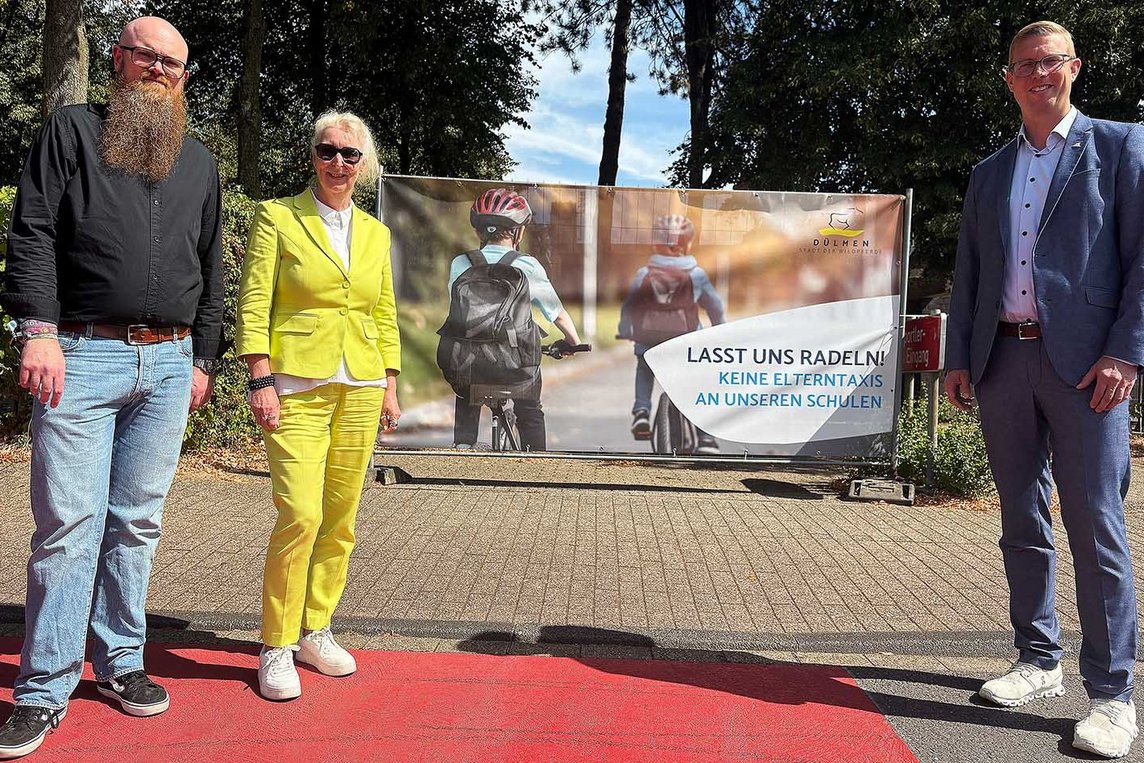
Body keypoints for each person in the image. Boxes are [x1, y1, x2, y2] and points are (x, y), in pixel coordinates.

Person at [0, 16, 223, 759]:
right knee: (68, 527)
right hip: (81, 354)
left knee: (136, 523)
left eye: (176, 64)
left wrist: (204, 360)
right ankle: (43, 688)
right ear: (120, 60)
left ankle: (121, 660)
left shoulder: (197, 161)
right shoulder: (70, 132)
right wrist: (37, 329)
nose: (161, 71)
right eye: (149, 57)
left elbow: (211, 266)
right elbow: (31, 228)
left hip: (168, 365)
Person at [945, 20, 1143, 760]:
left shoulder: (1121, 148)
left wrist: (1129, 351)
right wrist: (961, 357)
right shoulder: (990, 171)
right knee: (1021, 518)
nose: (1038, 74)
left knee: (1097, 528)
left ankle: (1115, 695)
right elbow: (969, 271)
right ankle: (1038, 658)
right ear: (1008, 78)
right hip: (1002, 362)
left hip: (1091, 369)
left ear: (1074, 68)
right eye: (1024, 64)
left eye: (1050, 61)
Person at [235, 110, 401, 701]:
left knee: (340, 518)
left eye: (349, 155)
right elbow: (254, 302)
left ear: (364, 164)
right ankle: (276, 644)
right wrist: (259, 378)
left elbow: (382, 312)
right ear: (313, 156)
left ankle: (316, 628)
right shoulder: (278, 216)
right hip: (295, 387)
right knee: (300, 514)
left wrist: (390, 382)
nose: (338, 162)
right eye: (328, 151)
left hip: (359, 386)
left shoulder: (377, 234)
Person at [444, 188, 582, 451]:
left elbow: (458, 313)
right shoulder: (528, 266)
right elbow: (557, 313)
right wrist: (572, 342)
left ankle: (462, 446)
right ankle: (538, 465)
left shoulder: (460, 263)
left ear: (478, 230)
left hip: (468, 366)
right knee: (530, 411)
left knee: (466, 393)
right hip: (516, 367)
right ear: (518, 231)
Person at [618, 214, 725, 454]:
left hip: (649, 341)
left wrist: (625, 330)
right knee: (697, 383)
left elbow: (629, 306)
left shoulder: (644, 273)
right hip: (686, 344)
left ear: (655, 244)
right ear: (687, 244)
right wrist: (721, 329)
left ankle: (641, 412)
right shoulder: (696, 274)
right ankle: (705, 436)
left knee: (644, 367)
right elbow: (715, 307)